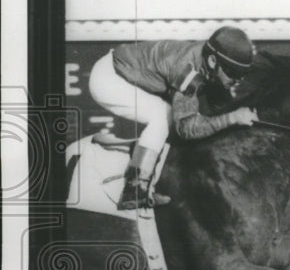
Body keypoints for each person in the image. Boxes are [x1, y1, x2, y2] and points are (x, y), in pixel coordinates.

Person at [88, 26, 259, 209]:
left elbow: (220, 110)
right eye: (233, 73)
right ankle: (134, 189)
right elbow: (186, 128)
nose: (237, 80)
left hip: (126, 69)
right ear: (211, 61)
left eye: (243, 75)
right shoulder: (188, 71)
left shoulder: (211, 61)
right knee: (162, 116)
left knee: (174, 113)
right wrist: (232, 118)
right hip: (108, 78)